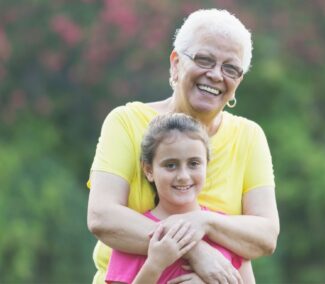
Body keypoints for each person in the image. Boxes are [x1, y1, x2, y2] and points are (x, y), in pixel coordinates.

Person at [87, 8, 280, 284]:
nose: (215, 75)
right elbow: (102, 218)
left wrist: (204, 223)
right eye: (204, 59)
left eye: (230, 68)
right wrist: (197, 251)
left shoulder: (249, 137)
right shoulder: (126, 122)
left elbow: (264, 236)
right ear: (176, 63)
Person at [105, 113, 254, 284]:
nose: (183, 176)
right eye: (171, 165)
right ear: (149, 170)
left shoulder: (227, 232)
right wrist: (154, 265)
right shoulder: (130, 236)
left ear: (207, 165)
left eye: (194, 164)